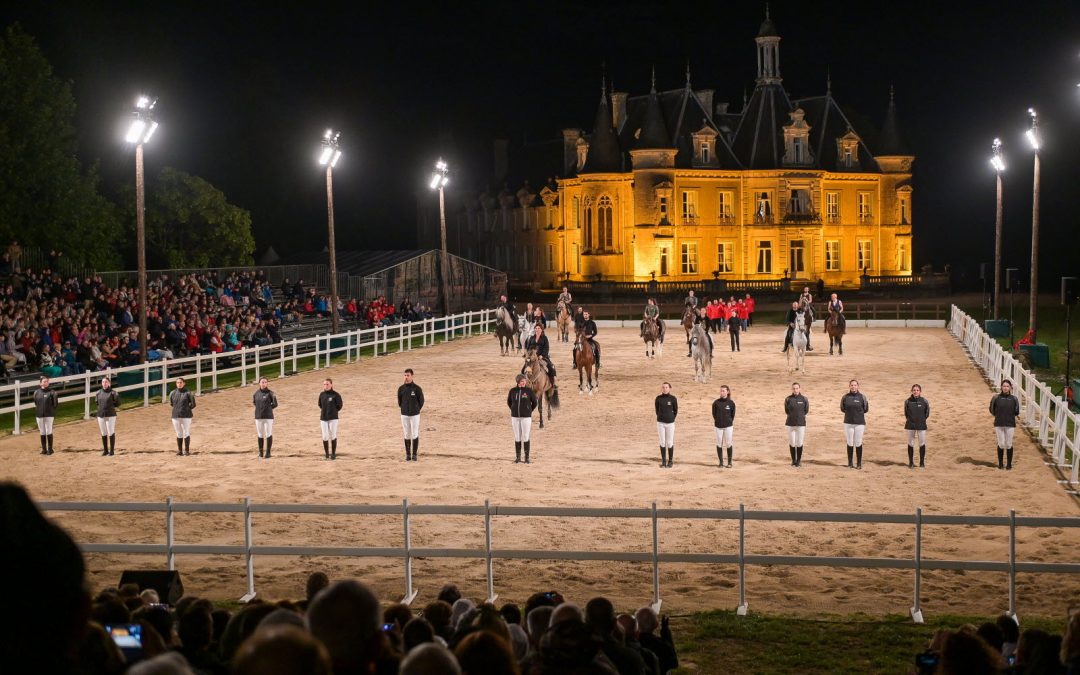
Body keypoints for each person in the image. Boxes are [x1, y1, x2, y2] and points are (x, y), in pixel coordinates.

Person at [990, 379, 1021, 470]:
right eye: (1004, 386)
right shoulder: (996, 398)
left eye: (1007, 386)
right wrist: (998, 416)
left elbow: (1016, 411)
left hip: (1010, 424)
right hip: (999, 423)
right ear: (1001, 387)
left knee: (1009, 444)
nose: (1005, 388)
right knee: (1001, 443)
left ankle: (1009, 464)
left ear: (1011, 387)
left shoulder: (1014, 399)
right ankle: (1000, 464)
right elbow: (992, 409)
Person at [508, 374, 537, 463]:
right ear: (518, 382)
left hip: (526, 418)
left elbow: (535, 402)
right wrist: (514, 409)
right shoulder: (513, 391)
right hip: (515, 417)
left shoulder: (529, 391)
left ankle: (527, 458)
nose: (524, 382)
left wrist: (529, 411)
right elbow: (509, 402)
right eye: (522, 381)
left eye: (524, 381)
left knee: (526, 436)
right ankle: (518, 457)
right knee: (517, 437)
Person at [840, 379, 869, 469]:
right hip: (848, 422)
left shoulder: (862, 397)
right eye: (852, 385)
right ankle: (850, 463)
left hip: (859, 423)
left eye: (855, 385)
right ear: (849, 386)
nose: (853, 387)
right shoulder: (845, 397)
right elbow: (842, 408)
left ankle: (859, 463)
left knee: (858, 442)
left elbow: (866, 409)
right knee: (849, 442)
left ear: (858, 386)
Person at [398, 368, 425, 461]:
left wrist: (416, 409)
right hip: (404, 414)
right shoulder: (401, 389)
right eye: (405, 375)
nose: (406, 377)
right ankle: (408, 454)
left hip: (415, 415)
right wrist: (404, 409)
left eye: (408, 375)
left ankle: (414, 454)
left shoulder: (417, 388)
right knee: (406, 433)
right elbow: (399, 402)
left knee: (414, 433)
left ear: (412, 376)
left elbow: (421, 401)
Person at [904, 384, 930, 468]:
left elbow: (927, 413)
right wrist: (911, 420)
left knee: (922, 443)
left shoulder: (924, 401)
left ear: (920, 391)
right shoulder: (907, 401)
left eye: (917, 390)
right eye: (914, 390)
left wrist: (921, 420)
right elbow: (906, 413)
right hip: (910, 425)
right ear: (912, 391)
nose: (915, 391)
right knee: (910, 443)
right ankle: (911, 462)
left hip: (921, 425)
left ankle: (922, 462)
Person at [785, 382, 809, 467]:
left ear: (800, 389)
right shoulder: (788, 399)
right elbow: (787, 411)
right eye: (794, 388)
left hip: (801, 424)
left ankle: (798, 461)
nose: (795, 390)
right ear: (792, 389)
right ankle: (793, 460)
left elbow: (806, 411)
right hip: (790, 424)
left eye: (797, 388)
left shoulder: (804, 399)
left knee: (799, 442)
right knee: (792, 442)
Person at [169, 377, 196, 456]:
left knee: (186, 432)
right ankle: (180, 451)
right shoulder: (172, 393)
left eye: (181, 382)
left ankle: (187, 451)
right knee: (178, 433)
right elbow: (171, 403)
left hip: (186, 416)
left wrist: (186, 409)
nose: (179, 384)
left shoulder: (188, 393)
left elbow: (193, 404)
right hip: (175, 415)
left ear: (184, 383)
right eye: (177, 383)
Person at [253, 377, 278, 458]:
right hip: (258, 417)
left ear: (267, 383)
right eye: (262, 382)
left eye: (265, 382)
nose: (263, 384)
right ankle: (260, 453)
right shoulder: (256, 393)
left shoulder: (271, 393)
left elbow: (275, 404)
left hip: (268, 417)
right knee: (260, 434)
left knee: (268, 433)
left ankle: (268, 452)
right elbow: (255, 403)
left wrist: (268, 409)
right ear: (259, 383)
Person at [318, 378, 343, 460]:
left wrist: (333, 412)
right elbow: (320, 405)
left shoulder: (336, 395)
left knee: (333, 435)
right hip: (323, 418)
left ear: (331, 385)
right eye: (324, 384)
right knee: (325, 436)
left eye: (327, 384)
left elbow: (339, 406)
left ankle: (333, 454)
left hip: (333, 418)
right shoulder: (321, 394)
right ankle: (326, 454)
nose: (326, 386)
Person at [33, 375, 58, 455]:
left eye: (47, 381)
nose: (46, 383)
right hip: (39, 415)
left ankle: (50, 449)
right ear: (40, 383)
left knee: (49, 431)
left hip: (49, 414)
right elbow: (36, 403)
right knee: (42, 432)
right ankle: (44, 449)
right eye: (44, 381)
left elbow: (55, 404)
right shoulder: (36, 392)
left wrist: (49, 410)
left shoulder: (52, 392)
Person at [712, 385, 736, 467]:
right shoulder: (716, 403)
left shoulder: (731, 403)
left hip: (728, 426)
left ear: (727, 392)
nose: (722, 392)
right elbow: (714, 414)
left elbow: (733, 415)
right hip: (718, 426)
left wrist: (728, 421)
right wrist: (718, 420)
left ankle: (729, 462)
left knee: (728, 443)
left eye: (723, 391)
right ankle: (721, 462)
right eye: (721, 391)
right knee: (719, 443)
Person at [95, 377, 120, 457]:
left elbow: (118, 403)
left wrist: (110, 407)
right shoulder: (98, 393)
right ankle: (105, 450)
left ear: (109, 383)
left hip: (110, 415)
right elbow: (97, 403)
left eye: (106, 382)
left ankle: (112, 451)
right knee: (103, 433)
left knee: (111, 432)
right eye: (103, 382)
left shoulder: (113, 393)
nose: (104, 383)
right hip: (101, 414)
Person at [655, 382, 677, 468]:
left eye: (666, 387)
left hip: (670, 423)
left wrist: (671, 418)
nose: (665, 389)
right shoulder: (658, 398)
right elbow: (657, 410)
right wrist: (661, 417)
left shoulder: (673, 399)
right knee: (662, 442)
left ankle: (670, 461)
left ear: (669, 388)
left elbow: (675, 410)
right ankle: (663, 461)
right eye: (663, 387)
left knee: (670, 442)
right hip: (660, 423)